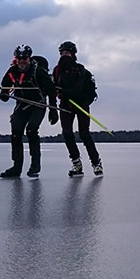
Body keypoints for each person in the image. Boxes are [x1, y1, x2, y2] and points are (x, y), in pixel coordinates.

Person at [0, 45, 59, 178]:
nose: (22, 61)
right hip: (22, 105)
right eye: (19, 58)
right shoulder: (12, 71)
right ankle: (16, 167)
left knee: (31, 129)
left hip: (38, 104)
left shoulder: (38, 72)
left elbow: (51, 90)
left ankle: (35, 166)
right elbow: (5, 86)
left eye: (24, 58)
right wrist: (3, 94)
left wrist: (53, 110)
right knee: (16, 133)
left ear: (29, 57)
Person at [52, 41, 102, 177]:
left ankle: (96, 162)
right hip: (65, 105)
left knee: (84, 134)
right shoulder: (57, 70)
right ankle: (76, 163)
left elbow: (77, 89)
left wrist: (65, 93)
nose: (63, 56)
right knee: (67, 134)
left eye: (66, 53)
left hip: (81, 105)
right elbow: (52, 86)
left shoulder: (81, 69)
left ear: (73, 54)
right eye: (61, 53)